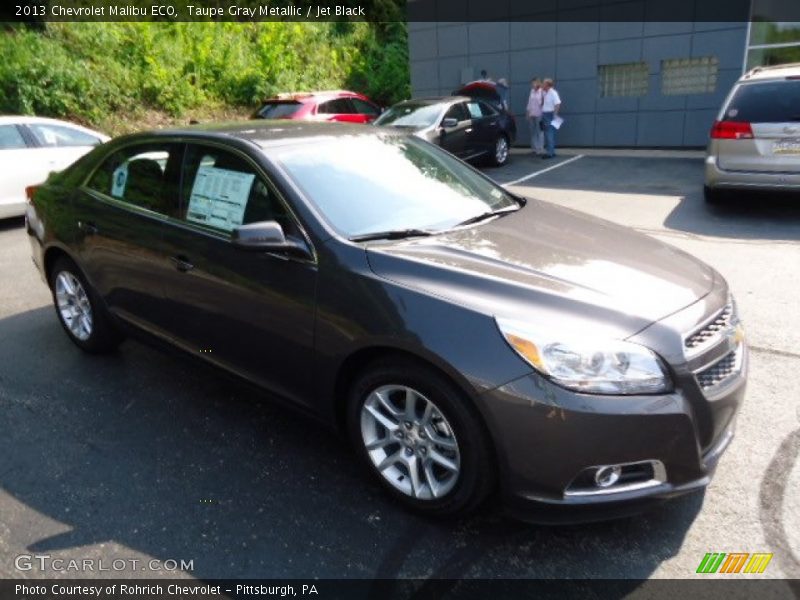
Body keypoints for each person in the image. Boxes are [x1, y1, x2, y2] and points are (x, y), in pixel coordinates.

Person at [541, 78, 562, 159]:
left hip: (549, 114)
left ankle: (550, 153)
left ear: (547, 85)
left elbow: (558, 103)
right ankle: (551, 152)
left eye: (544, 83)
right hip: (545, 114)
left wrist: (555, 115)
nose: (542, 85)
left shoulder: (553, 93)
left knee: (549, 133)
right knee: (548, 133)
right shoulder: (544, 92)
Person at [525, 78, 544, 156]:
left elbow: (543, 103)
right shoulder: (532, 91)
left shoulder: (542, 91)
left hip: (539, 114)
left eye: (534, 83)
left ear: (538, 83)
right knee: (532, 131)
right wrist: (527, 113)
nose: (532, 85)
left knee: (539, 131)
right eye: (532, 83)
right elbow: (529, 102)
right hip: (532, 114)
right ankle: (534, 148)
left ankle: (540, 149)